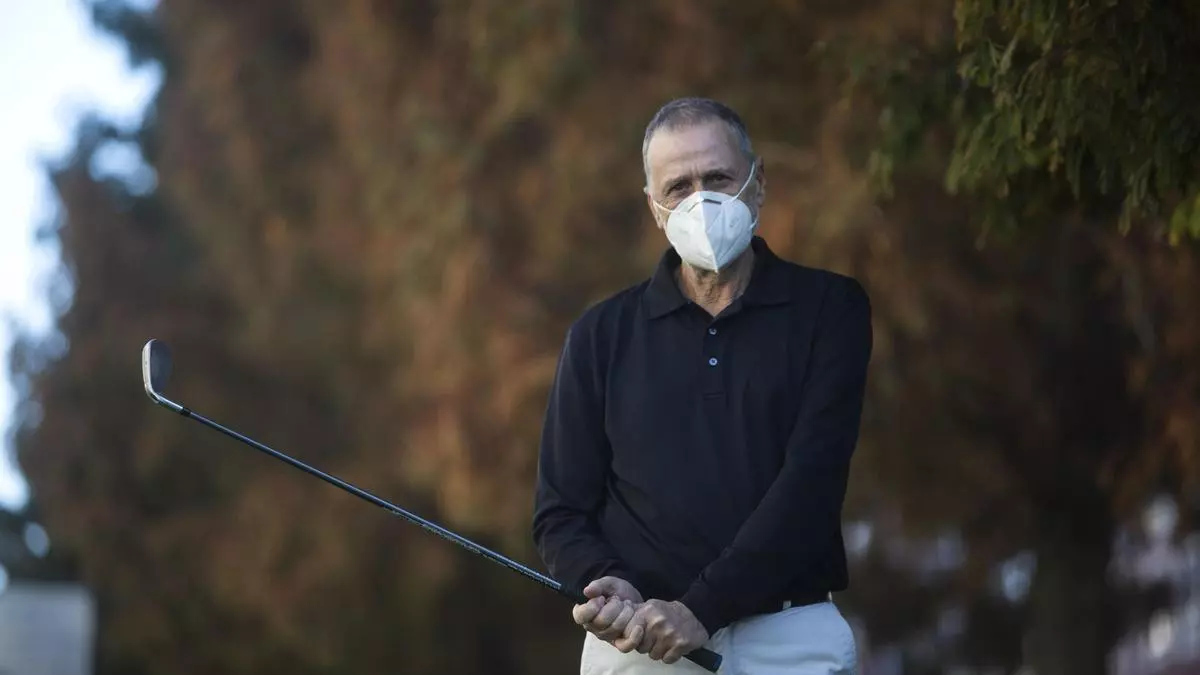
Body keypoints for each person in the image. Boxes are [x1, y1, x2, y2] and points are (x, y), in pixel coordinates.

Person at [532, 97, 872, 674]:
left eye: (718, 178)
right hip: (642, 646)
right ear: (655, 208)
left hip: (789, 639)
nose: (701, 201)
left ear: (757, 184)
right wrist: (602, 579)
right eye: (679, 187)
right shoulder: (599, 335)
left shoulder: (829, 309)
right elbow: (560, 512)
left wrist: (702, 609)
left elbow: (811, 485)